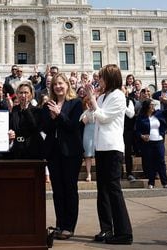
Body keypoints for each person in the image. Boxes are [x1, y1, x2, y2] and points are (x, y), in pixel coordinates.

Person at [85, 64, 133, 245]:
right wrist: (90, 108)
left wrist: (93, 100)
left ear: (111, 79)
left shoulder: (119, 96)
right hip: (101, 148)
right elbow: (95, 116)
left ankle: (124, 233)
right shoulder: (103, 96)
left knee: (114, 191)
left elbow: (104, 118)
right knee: (102, 191)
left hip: (113, 148)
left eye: (102, 77)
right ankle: (106, 229)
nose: (99, 80)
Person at [41, 73, 83, 240]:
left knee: (70, 188)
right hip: (54, 152)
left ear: (67, 85)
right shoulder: (48, 104)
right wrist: (52, 118)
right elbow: (45, 128)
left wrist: (59, 115)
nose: (57, 86)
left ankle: (69, 226)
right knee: (57, 190)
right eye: (55, 84)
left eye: (61, 83)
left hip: (71, 152)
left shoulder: (76, 103)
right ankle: (60, 223)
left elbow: (73, 126)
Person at [136, 99, 167, 189]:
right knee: (150, 162)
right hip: (148, 142)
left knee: (161, 161)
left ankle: (165, 183)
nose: (153, 106)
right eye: (152, 105)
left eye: (154, 104)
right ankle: (151, 182)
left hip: (158, 141)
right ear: (147, 106)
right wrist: (142, 136)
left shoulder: (158, 114)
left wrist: (162, 133)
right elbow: (137, 130)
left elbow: (165, 120)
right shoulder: (141, 117)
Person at [8, 82, 43, 159]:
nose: (23, 95)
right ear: (17, 94)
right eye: (21, 93)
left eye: (26, 93)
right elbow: (12, 127)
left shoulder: (37, 110)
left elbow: (34, 127)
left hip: (32, 150)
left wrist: (26, 109)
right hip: (16, 150)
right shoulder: (14, 110)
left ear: (31, 95)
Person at [79, 96, 95, 182]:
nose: (90, 105)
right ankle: (88, 173)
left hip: (97, 133)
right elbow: (82, 122)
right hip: (88, 133)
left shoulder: (98, 111)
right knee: (88, 154)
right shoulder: (85, 112)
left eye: (92, 103)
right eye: (89, 103)